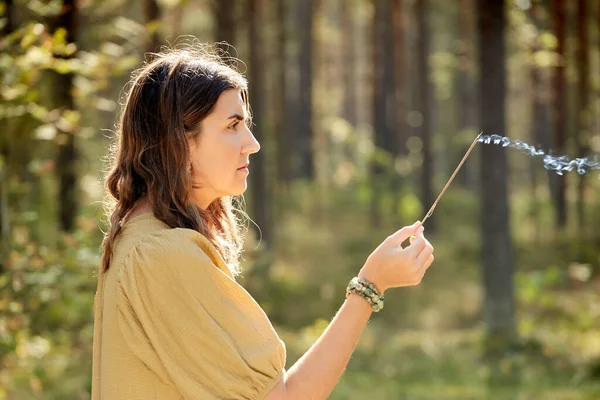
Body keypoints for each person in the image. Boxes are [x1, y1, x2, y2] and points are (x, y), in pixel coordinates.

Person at [92, 45, 435, 400]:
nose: (252, 144)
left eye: (246, 125)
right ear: (179, 141)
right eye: (232, 126)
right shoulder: (162, 253)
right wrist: (369, 287)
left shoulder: (139, 236)